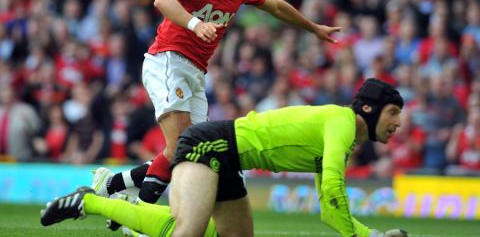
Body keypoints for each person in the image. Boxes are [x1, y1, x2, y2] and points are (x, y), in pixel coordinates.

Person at [92, 0, 340, 210]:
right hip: (168, 59)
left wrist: (312, 27)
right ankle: (136, 218)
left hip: (196, 71)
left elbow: (273, 5)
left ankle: (112, 185)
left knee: (196, 151)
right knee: (180, 145)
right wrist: (195, 23)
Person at [41, 78, 409, 237]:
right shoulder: (341, 122)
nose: (398, 122)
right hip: (211, 144)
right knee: (187, 231)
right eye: (393, 112)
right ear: (368, 108)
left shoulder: (342, 136)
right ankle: (92, 201)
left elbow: (330, 209)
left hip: (228, 155)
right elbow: (331, 187)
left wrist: (365, 233)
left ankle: (115, 191)